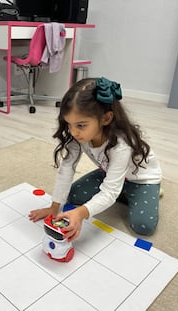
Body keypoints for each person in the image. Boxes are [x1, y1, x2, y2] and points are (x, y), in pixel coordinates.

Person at [29, 77, 162, 239]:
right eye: (69, 124)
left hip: (141, 181)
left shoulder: (122, 145)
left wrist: (81, 213)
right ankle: (119, 191)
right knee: (74, 196)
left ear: (106, 118)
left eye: (80, 125)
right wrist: (54, 207)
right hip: (109, 173)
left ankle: (142, 193)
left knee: (143, 225)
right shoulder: (77, 136)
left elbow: (108, 192)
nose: (73, 132)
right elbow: (66, 169)